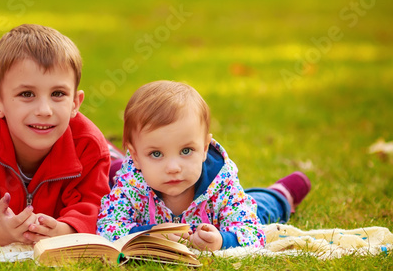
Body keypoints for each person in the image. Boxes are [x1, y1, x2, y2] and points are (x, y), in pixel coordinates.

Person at [0, 24, 112, 247]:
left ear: (75, 103)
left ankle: (116, 153)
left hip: (102, 156)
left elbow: (97, 207)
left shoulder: (88, 146)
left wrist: (65, 230)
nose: (44, 110)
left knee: (119, 170)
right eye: (27, 94)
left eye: (58, 94)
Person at [97, 80, 311, 250]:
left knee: (259, 207)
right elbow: (106, 228)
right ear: (134, 156)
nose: (173, 167)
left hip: (221, 213)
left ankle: (282, 193)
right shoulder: (131, 183)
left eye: (186, 151)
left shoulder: (221, 182)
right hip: (146, 200)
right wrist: (151, 233)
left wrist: (222, 240)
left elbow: (252, 232)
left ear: (205, 148)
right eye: (156, 153)